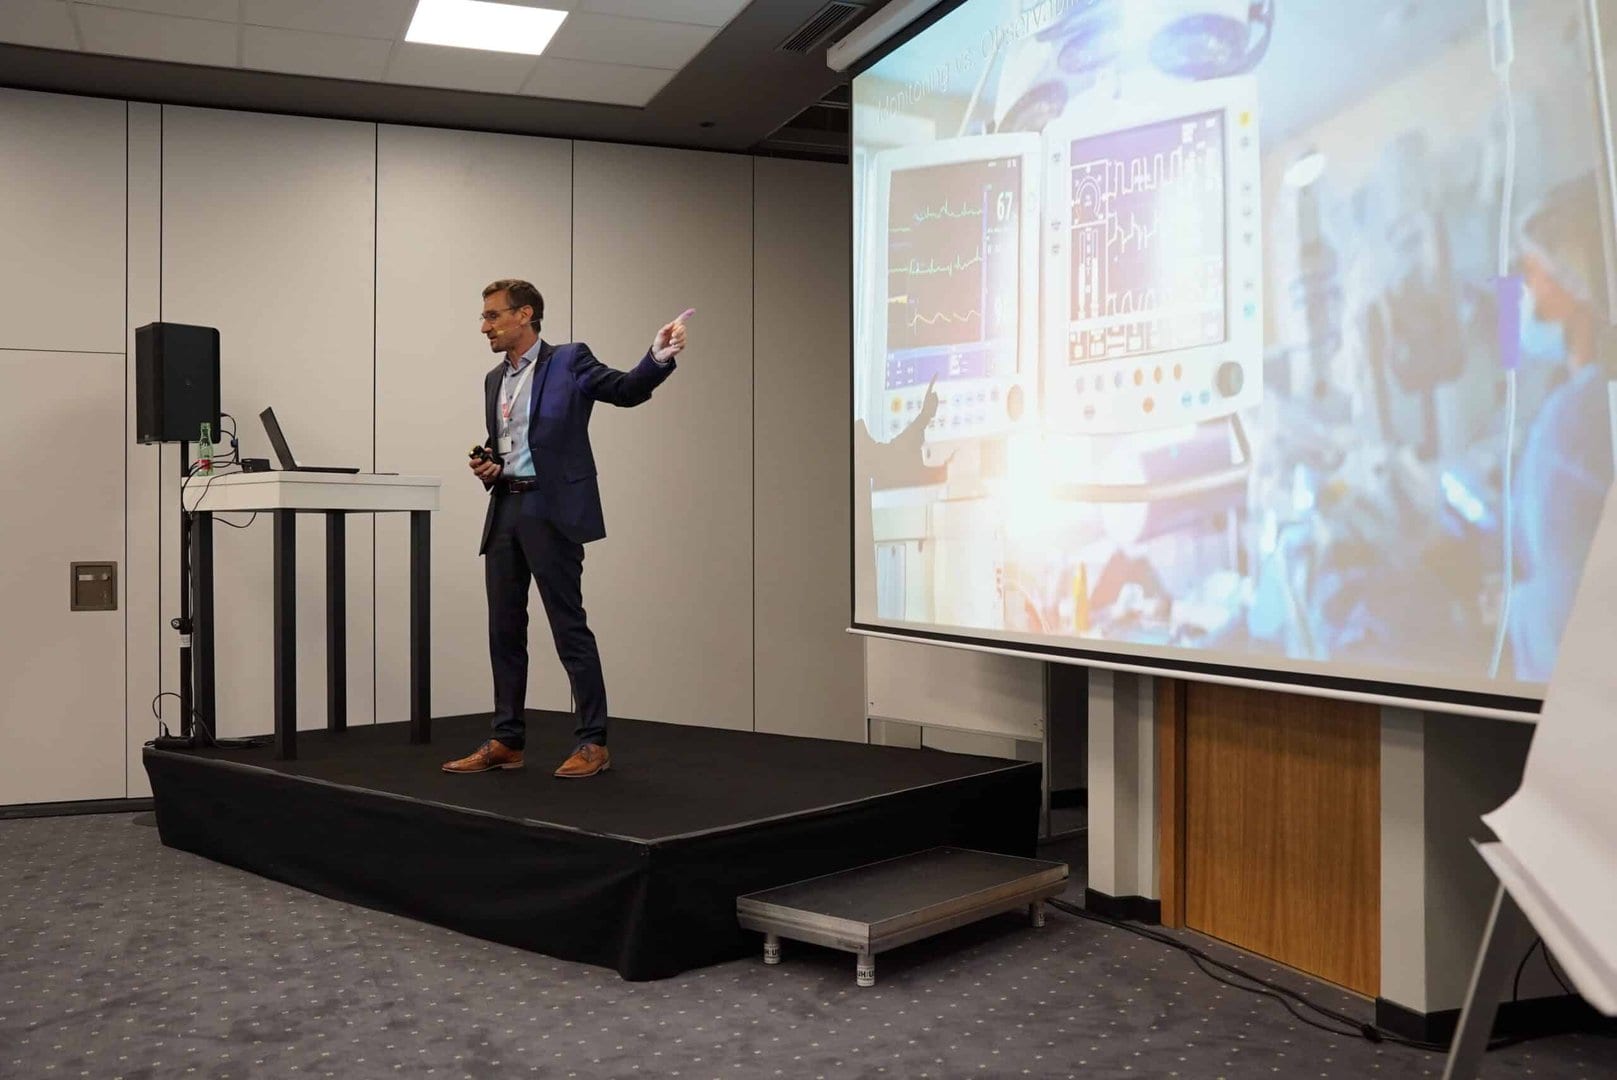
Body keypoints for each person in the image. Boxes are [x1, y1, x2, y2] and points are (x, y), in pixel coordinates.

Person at [442, 279, 686, 778]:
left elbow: (624, 390)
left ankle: (593, 742)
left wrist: (657, 357)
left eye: (493, 316)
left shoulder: (570, 360)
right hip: (506, 510)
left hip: (551, 511)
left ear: (525, 315)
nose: (484, 326)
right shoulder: (494, 379)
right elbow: (510, 442)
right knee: (504, 630)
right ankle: (507, 740)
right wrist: (489, 465)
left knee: (568, 627)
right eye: (484, 317)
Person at [1508, 177, 1615, 682]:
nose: (1524, 288)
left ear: (1576, 278)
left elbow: (1562, 611)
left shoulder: (1575, 425)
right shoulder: (1571, 409)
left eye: (1532, 271)